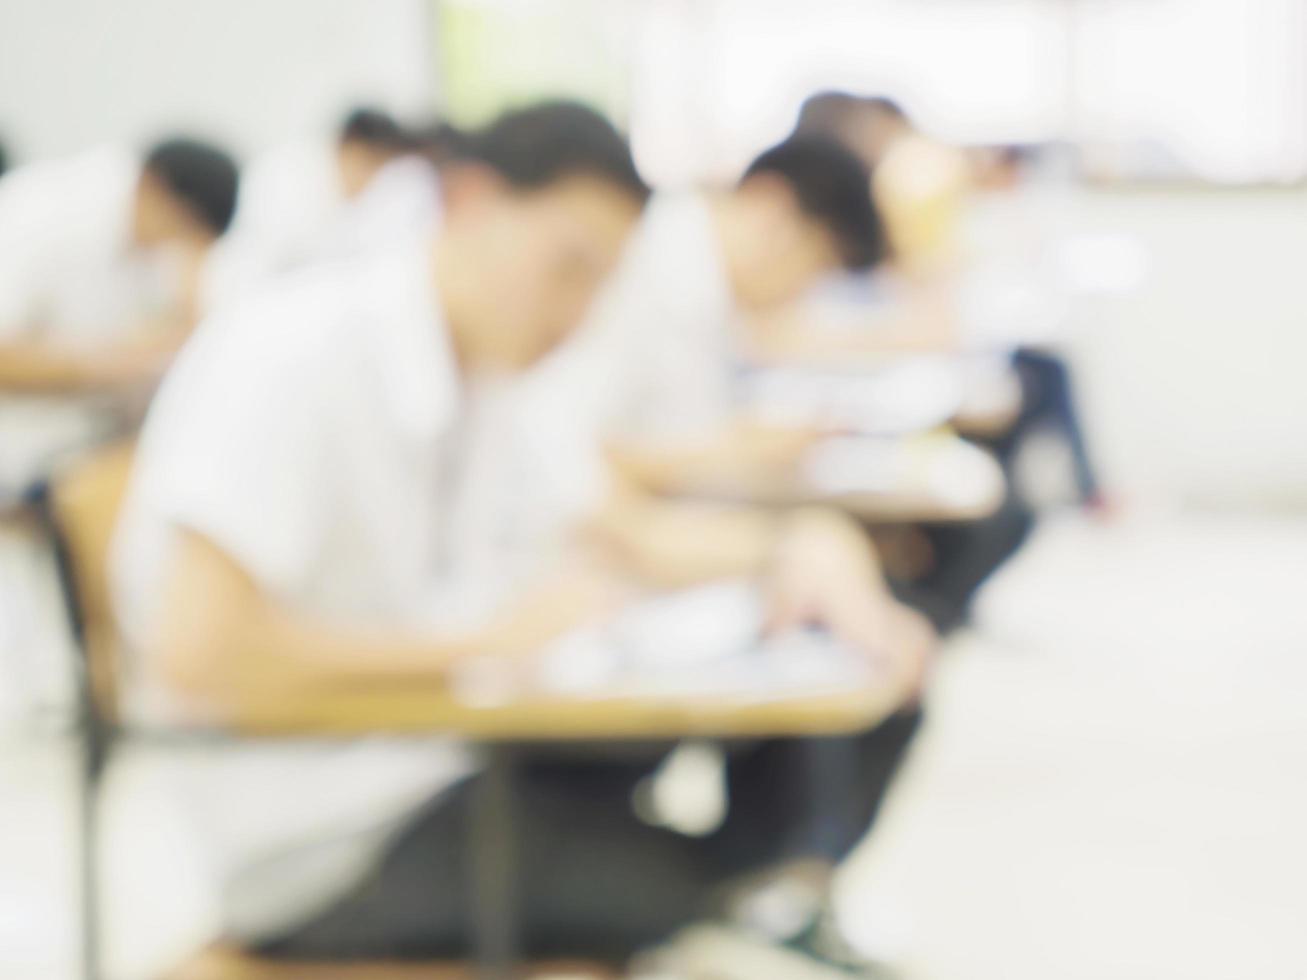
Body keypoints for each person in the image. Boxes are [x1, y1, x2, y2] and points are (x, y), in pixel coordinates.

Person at [110, 100, 928, 973]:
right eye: (566, 269)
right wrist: (483, 644)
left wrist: (803, 547)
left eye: (600, 285)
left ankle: (755, 883)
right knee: (690, 882)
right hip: (325, 829)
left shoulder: (492, 369)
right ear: (469, 203)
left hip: (445, 754)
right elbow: (198, 660)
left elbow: (624, 534)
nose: (576, 314)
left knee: (772, 757)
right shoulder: (295, 352)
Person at [0, 136, 238, 484]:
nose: (175, 248)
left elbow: (192, 338)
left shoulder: (162, 241)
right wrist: (114, 364)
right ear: (150, 188)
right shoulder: (42, 215)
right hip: (27, 441)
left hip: (88, 441)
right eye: (180, 232)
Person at [204, 105, 440, 305]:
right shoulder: (289, 178)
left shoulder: (353, 200)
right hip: (245, 300)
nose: (368, 181)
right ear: (349, 147)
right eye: (368, 165)